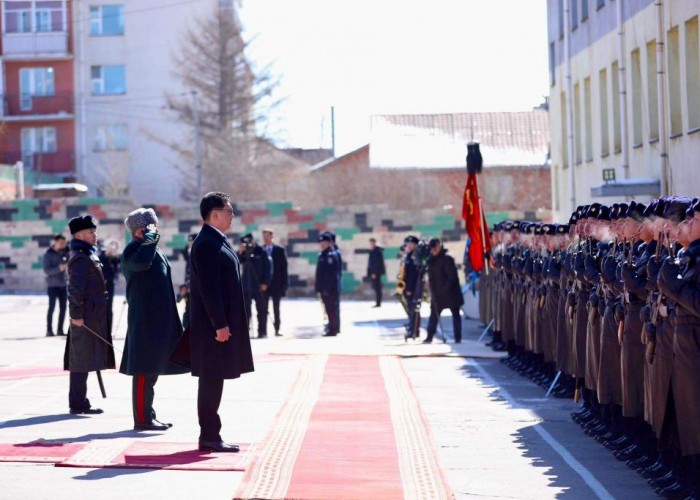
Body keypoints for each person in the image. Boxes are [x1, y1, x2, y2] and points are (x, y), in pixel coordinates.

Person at [189, 192, 254, 452]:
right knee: (211, 378)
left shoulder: (217, 240)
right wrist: (220, 324)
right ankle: (209, 436)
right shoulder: (206, 243)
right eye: (228, 210)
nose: (232, 215)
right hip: (212, 328)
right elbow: (208, 289)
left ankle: (211, 434)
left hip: (219, 325)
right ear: (214, 214)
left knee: (214, 378)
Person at [120, 208, 188, 431]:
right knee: (143, 371)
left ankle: (148, 414)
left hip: (158, 320)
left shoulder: (152, 249)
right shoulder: (133, 251)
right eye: (151, 226)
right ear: (140, 230)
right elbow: (140, 264)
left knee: (152, 370)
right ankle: (142, 419)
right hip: (145, 320)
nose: (155, 230)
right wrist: (149, 240)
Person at [65, 215, 115, 415]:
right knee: (80, 360)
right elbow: (74, 290)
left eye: (95, 231)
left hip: (92, 316)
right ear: (79, 235)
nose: (95, 235)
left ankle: (80, 401)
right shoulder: (80, 258)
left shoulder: (88, 255)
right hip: (84, 317)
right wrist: (76, 315)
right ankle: (78, 403)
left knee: (85, 358)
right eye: (90, 232)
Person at [424, 238, 464, 344]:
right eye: (432, 248)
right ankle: (429, 336)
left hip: (451, 293)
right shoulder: (430, 260)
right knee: (433, 315)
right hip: (437, 293)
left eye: (436, 247)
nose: (434, 250)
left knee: (455, 315)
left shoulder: (447, 259)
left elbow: (452, 277)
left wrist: (444, 288)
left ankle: (457, 337)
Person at [238, 233, 272, 338]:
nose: (248, 244)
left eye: (249, 241)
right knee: (245, 310)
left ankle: (262, 331)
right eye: (245, 242)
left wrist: (265, 283)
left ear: (253, 241)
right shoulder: (243, 253)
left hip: (259, 285)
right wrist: (240, 252)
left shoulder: (261, 251)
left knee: (262, 309)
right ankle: (245, 332)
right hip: (246, 285)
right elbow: (236, 262)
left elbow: (268, 268)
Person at [261, 228, 288, 336]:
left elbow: (284, 268)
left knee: (276, 308)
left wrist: (285, 284)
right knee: (263, 308)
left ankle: (277, 329)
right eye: (264, 236)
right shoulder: (261, 250)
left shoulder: (279, 250)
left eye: (267, 236)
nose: (265, 239)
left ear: (272, 236)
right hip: (264, 285)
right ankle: (263, 331)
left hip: (277, 284)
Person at [315, 232, 341, 336]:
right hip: (323, 288)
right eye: (321, 242)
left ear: (329, 243)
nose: (322, 244)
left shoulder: (331, 255)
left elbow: (332, 275)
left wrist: (327, 288)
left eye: (324, 242)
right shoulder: (322, 255)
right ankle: (331, 326)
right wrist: (318, 287)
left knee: (331, 309)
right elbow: (319, 274)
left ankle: (333, 329)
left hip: (330, 289)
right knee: (328, 309)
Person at [44, 234, 68, 337]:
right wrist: (59, 268)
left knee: (63, 308)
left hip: (63, 285)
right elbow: (47, 270)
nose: (62, 245)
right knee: (52, 308)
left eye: (64, 243)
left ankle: (60, 330)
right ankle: (49, 330)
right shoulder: (48, 254)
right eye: (61, 243)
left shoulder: (66, 253)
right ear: (55, 242)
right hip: (52, 286)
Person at [98, 239, 121, 335]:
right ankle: (100, 329)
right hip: (100, 285)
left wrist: (115, 256)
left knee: (109, 308)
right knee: (99, 307)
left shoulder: (115, 258)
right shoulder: (101, 255)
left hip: (110, 284)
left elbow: (117, 270)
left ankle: (108, 330)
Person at [367, 238, 386, 307]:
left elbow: (377, 263)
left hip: (376, 273)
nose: (371, 244)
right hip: (373, 272)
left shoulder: (377, 251)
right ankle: (378, 302)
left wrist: (374, 273)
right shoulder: (372, 251)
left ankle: (378, 302)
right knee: (375, 287)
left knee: (377, 287)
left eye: (372, 243)